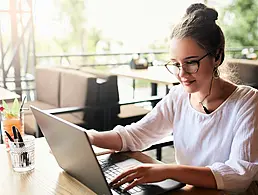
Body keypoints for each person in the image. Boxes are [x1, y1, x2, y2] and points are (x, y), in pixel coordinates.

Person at [87, 3, 258, 194]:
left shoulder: (247, 102)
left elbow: (238, 175)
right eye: (176, 64)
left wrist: (168, 171)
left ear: (217, 57)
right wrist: (90, 137)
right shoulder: (179, 96)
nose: (181, 74)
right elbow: (136, 135)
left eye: (191, 63)